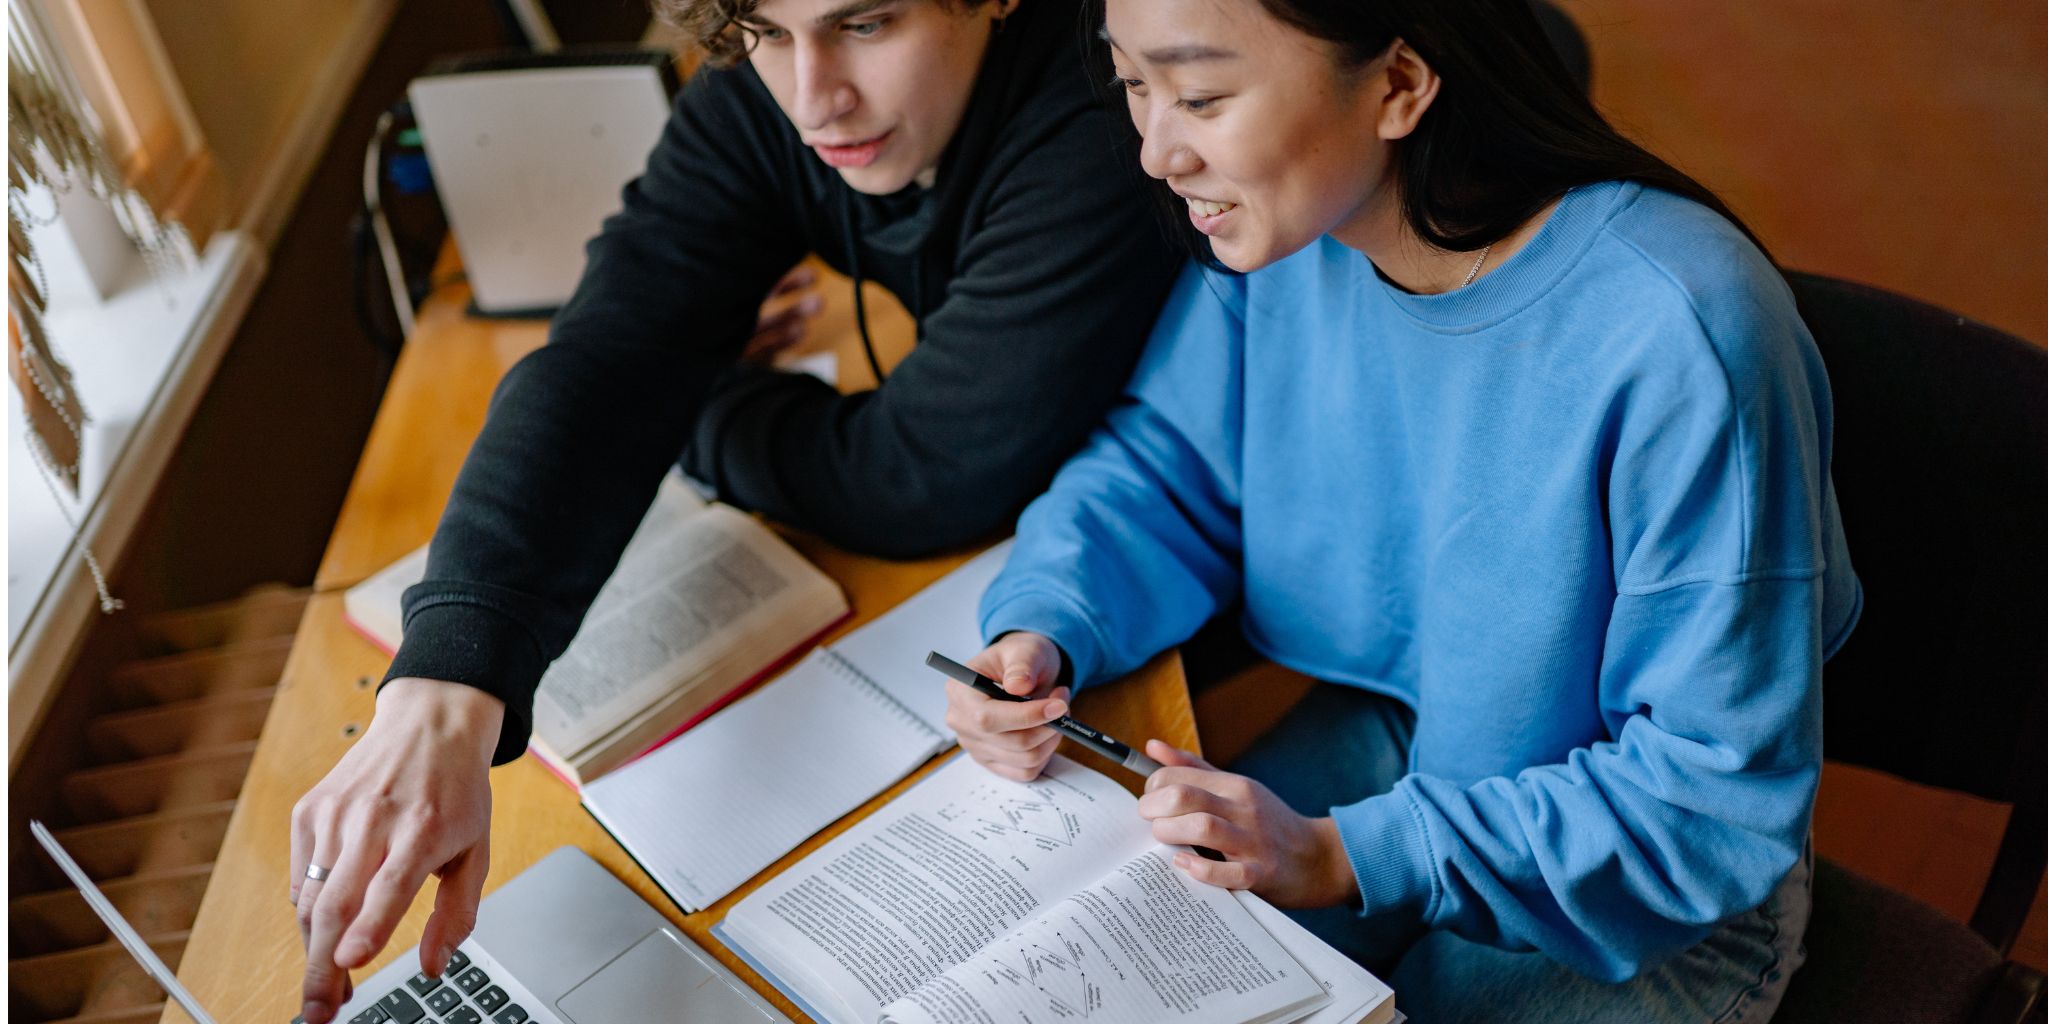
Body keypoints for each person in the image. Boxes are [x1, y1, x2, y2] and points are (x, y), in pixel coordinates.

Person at [948, 0, 1862, 1021]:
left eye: (1199, 95)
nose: (1156, 152)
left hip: (1642, 872)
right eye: (1132, 87)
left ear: (1396, 85)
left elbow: (1700, 803)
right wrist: (1048, 621)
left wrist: (1343, 854)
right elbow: (1163, 468)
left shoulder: (1679, 328)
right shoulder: (1280, 232)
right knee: (1102, 960)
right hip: (1395, 722)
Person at [285, 0, 1182, 1018]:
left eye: (868, 22)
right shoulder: (771, 94)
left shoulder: (1105, 102)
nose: (812, 97)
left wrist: (694, 391)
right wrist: (442, 687)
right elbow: (604, 359)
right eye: (762, 34)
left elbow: (915, 475)